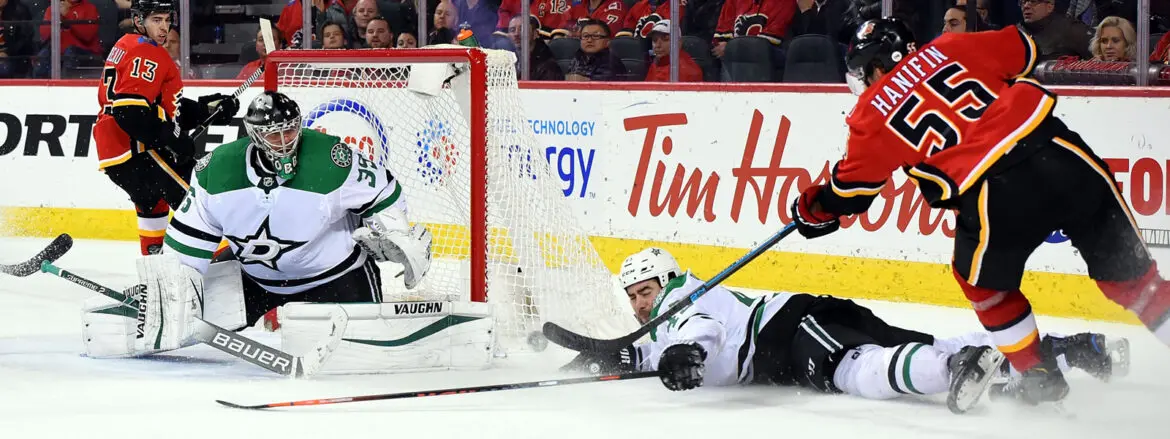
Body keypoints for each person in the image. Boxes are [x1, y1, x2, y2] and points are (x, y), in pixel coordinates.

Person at [787, 17, 1170, 406]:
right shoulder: (951, 45)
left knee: (984, 285)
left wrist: (813, 208)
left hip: (995, 191)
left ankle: (1037, 374)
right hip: (1064, 156)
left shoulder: (870, 113)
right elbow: (1026, 50)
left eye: (861, 72)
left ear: (876, 65)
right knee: (1138, 284)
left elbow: (852, 193)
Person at [80, 91, 434, 359]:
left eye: (290, 129)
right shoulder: (216, 170)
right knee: (140, 331)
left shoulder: (331, 159)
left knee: (365, 357)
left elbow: (385, 191)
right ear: (253, 133)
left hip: (337, 277)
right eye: (274, 133)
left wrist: (393, 232)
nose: (285, 140)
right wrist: (172, 293)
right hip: (254, 280)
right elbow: (187, 247)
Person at [563, 248, 1125, 414]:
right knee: (911, 347)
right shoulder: (660, 325)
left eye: (645, 292)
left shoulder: (685, 298)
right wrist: (593, 358)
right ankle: (1071, 351)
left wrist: (686, 350)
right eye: (633, 296)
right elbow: (642, 354)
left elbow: (700, 331)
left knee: (854, 373)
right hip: (804, 319)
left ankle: (957, 368)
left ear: (664, 281)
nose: (640, 304)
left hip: (788, 330)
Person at [92, 0, 238, 256]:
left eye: (167, 20)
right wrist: (172, 137)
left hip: (116, 155)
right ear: (139, 21)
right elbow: (130, 112)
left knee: (153, 206)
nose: (164, 28)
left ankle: (155, 275)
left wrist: (206, 110)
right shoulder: (148, 51)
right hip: (137, 151)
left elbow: (159, 106)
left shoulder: (125, 44)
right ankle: (228, 270)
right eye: (156, 20)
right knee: (197, 203)